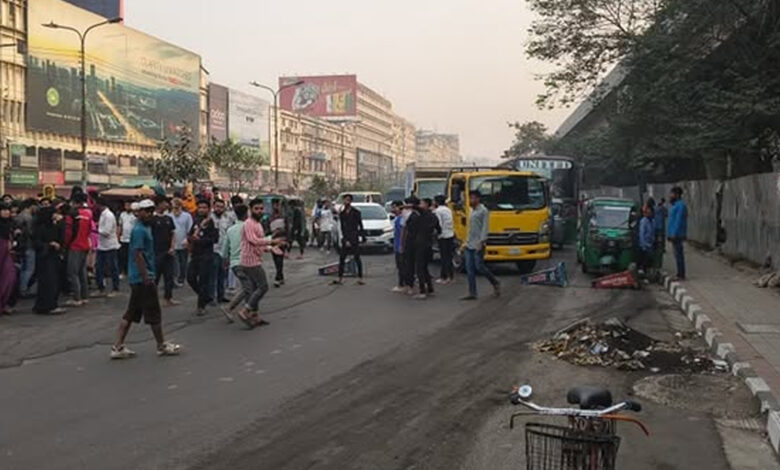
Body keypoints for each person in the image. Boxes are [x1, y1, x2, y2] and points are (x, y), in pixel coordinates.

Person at [110, 199, 180, 359]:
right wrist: (145, 276)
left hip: (140, 277)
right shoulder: (139, 231)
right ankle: (161, 345)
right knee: (153, 312)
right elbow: (137, 254)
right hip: (142, 278)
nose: (148, 214)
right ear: (139, 212)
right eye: (145, 211)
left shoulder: (145, 228)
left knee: (131, 313)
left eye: (150, 211)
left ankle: (118, 346)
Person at [235, 197, 283, 328]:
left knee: (256, 288)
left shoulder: (258, 224)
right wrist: (272, 242)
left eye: (261, 208)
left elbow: (259, 244)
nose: (259, 211)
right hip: (250, 261)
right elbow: (253, 240)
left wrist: (270, 248)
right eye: (256, 209)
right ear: (250, 210)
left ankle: (254, 316)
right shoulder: (248, 223)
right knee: (263, 287)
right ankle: (245, 310)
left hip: (255, 259)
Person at [461, 191, 500, 300]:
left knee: (480, 267)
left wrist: (482, 241)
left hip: (478, 244)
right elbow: (470, 229)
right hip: (469, 244)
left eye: (473, 198)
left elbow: (485, 227)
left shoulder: (483, 211)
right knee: (469, 269)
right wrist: (465, 242)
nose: (471, 200)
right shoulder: (471, 211)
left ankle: (495, 282)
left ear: (478, 199)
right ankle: (472, 293)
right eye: (470, 198)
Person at [33, 206, 66, 315]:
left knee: (53, 281)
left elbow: (61, 239)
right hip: (45, 257)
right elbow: (37, 243)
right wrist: (49, 245)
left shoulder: (55, 226)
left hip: (53, 256)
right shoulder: (40, 227)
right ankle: (48, 305)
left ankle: (46, 305)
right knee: (48, 282)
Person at [188, 199, 218, 315]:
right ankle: (205, 296)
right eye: (200, 207)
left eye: (204, 207)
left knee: (203, 281)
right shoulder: (196, 221)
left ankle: (201, 306)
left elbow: (214, 239)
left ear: (208, 209)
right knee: (190, 278)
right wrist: (191, 239)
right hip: (195, 254)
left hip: (206, 255)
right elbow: (190, 235)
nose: (201, 210)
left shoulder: (211, 222)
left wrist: (200, 241)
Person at [220, 204, 248, 322]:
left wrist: (225, 260)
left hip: (235, 263)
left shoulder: (230, 230)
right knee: (249, 287)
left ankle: (246, 309)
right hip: (247, 262)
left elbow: (225, 250)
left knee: (247, 287)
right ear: (247, 214)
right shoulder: (248, 228)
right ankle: (232, 308)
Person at [151, 197, 179, 307]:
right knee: (155, 277)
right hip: (156, 252)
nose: (166, 205)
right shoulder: (152, 219)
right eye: (164, 203)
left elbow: (173, 233)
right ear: (158, 204)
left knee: (169, 276)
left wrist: (172, 247)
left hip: (168, 252)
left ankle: (168, 298)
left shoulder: (168, 219)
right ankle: (152, 299)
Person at [65, 192, 92, 307]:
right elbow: (89, 229)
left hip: (74, 246)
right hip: (85, 244)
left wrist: (65, 245)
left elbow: (68, 232)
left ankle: (76, 298)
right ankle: (85, 296)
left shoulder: (71, 214)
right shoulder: (88, 213)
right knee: (82, 272)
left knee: (73, 272)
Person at [332, 194, 365, 286]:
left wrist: (362, 236)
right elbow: (343, 227)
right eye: (344, 200)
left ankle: (360, 278)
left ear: (351, 201)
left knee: (357, 257)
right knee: (342, 258)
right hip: (346, 238)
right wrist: (345, 240)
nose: (346, 202)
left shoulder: (356, 212)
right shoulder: (342, 214)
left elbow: (360, 225)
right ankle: (340, 278)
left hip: (354, 238)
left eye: (348, 200)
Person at [412, 198, 441, 300]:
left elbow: (416, 209)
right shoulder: (433, 216)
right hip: (428, 244)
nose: (420, 205)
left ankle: (422, 291)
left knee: (419, 268)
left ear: (426, 205)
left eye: (422, 204)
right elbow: (439, 230)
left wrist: (408, 206)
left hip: (420, 243)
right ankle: (430, 288)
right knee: (424, 267)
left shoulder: (423, 215)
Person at [95, 198, 120, 296]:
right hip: (102, 245)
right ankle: (100, 287)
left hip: (110, 245)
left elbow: (107, 231)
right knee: (99, 267)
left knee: (112, 267)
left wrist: (97, 229)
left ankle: (115, 288)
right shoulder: (103, 214)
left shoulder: (109, 215)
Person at [210, 199, 233, 303]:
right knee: (213, 275)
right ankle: (212, 297)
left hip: (224, 250)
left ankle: (221, 295)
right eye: (217, 206)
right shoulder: (209, 218)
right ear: (213, 207)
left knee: (222, 274)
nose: (219, 209)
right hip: (213, 250)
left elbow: (229, 234)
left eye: (221, 207)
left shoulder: (227, 219)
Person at [15, 199, 37, 297]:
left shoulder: (18, 216)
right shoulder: (28, 218)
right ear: (31, 206)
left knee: (23, 268)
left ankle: (20, 287)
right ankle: (23, 289)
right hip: (29, 245)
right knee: (29, 269)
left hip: (21, 245)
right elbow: (31, 232)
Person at [170, 197, 192, 287]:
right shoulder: (169, 216)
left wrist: (187, 240)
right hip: (173, 244)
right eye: (174, 206)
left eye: (177, 206)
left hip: (183, 242)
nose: (176, 209)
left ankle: (182, 278)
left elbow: (189, 229)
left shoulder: (187, 216)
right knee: (174, 263)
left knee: (183, 262)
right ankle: (174, 279)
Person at [667, 186, 688, 281]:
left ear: (677, 195)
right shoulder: (674, 206)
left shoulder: (680, 206)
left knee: (679, 254)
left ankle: (681, 274)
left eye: (672, 194)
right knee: (676, 254)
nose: (670, 196)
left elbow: (678, 221)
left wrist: (674, 234)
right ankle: (679, 273)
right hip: (673, 233)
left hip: (677, 234)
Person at [433, 195, 455, 284]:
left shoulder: (438, 211)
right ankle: (451, 276)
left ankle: (444, 277)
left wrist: (435, 233)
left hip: (442, 236)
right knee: (449, 257)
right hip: (450, 234)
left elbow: (439, 224)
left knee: (444, 257)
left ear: (437, 202)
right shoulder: (448, 209)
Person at [0, 204, 17, 315]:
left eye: (8, 210)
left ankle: (4, 303)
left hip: (7, 253)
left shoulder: (10, 224)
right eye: (3, 210)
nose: (6, 212)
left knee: (10, 276)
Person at [401, 197, 420, 295]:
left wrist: (402, 243)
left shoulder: (415, 215)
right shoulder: (409, 215)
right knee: (408, 264)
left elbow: (404, 230)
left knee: (413, 265)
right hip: (411, 241)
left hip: (415, 242)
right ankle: (409, 285)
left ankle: (413, 286)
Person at [269, 200, 288, 288]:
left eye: (278, 205)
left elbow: (287, 230)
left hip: (282, 241)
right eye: (274, 205)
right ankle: (281, 277)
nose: (276, 207)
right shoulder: (269, 217)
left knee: (280, 260)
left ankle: (277, 278)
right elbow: (267, 230)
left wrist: (287, 241)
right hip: (273, 241)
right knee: (276, 260)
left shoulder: (284, 217)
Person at [390, 201, 406, 292]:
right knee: (400, 266)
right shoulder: (396, 218)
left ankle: (402, 284)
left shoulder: (401, 219)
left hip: (399, 246)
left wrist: (401, 245)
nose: (392, 209)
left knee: (401, 266)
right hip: (397, 245)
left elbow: (402, 233)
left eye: (394, 207)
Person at [118, 201, 136, 276]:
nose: (127, 207)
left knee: (131, 256)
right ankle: (123, 271)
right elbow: (120, 225)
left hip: (131, 239)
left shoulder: (134, 215)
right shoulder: (122, 214)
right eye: (126, 205)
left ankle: (130, 271)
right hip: (123, 238)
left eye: (129, 205)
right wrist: (118, 235)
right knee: (123, 256)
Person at [638, 204, 655, 275]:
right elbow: (641, 234)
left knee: (649, 262)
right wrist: (643, 245)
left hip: (650, 245)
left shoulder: (652, 221)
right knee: (644, 261)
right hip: (644, 246)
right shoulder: (644, 221)